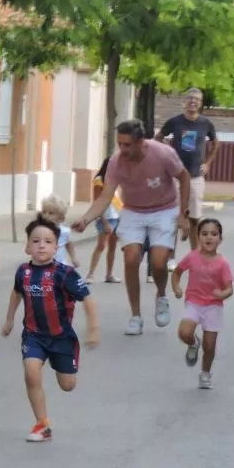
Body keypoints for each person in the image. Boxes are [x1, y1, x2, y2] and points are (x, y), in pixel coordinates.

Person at [72, 120, 192, 336]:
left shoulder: (162, 153)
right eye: (120, 144)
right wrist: (86, 218)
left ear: (140, 142)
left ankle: (161, 295)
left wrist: (183, 214)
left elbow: (184, 178)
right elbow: (105, 197)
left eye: (127, 145)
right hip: (134, 211)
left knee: (158, 261)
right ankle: (136, 316)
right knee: (131, 258)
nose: (122, 150)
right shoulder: (116, 162)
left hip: (164, 209)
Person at [1, 216, 99, 443]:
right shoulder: (23, 272)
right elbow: (17, 293)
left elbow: (88, 299)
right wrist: (9, 320)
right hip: (34, 335)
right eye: (35, 241)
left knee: (67, 385)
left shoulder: (64, 274)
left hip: (61, 337)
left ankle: (61, 364)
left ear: (57, 247)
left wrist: (93, 328)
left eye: (47, 241)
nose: (41, 245)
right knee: (31, 371)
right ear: (27, 247)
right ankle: (42, 424)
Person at [171, 218, 234, 389]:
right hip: (194, 303)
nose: (209, 238)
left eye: (214, 234)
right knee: (184, 332)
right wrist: (176, 288)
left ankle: (205, 374)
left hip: (213, 306)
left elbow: (229, 288)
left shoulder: (222, 263)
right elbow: (177, 272)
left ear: (220, 239)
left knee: (210, 345)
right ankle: (193, 343)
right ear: (198, 237)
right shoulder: (192, 257)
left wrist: (222, 294)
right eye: (204, 234)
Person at [156, 88, 218, 251]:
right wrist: (168, 150)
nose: (193, 101)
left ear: (200, 103)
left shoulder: (205, 123)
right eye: (190, 98)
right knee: (174, 217)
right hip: (176, 176)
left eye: (196, 99)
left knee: (195, 218)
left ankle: (195, 255)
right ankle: (170, 258)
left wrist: (208, 162)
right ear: (185, 101)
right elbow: (158, 138)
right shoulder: (175, 122)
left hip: (196, 176)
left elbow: (216, 143)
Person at [85, 157, 122, 285]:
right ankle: (90, 274)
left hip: (116, 216)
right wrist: (104, 221)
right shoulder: (99, 181)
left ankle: (109, 274)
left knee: (112, 247)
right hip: (105, 217)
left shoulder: (115, 180)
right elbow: (97, 202)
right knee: (101, 246)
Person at [39, 195, 78, 268]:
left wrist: (73, 258)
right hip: (42, 265)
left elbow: (69, 244)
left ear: (61, 218)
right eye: (44, 212)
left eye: (51, 213)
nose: (46, 215)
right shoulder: (38, 230)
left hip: (59, 266)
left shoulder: (64, 232)